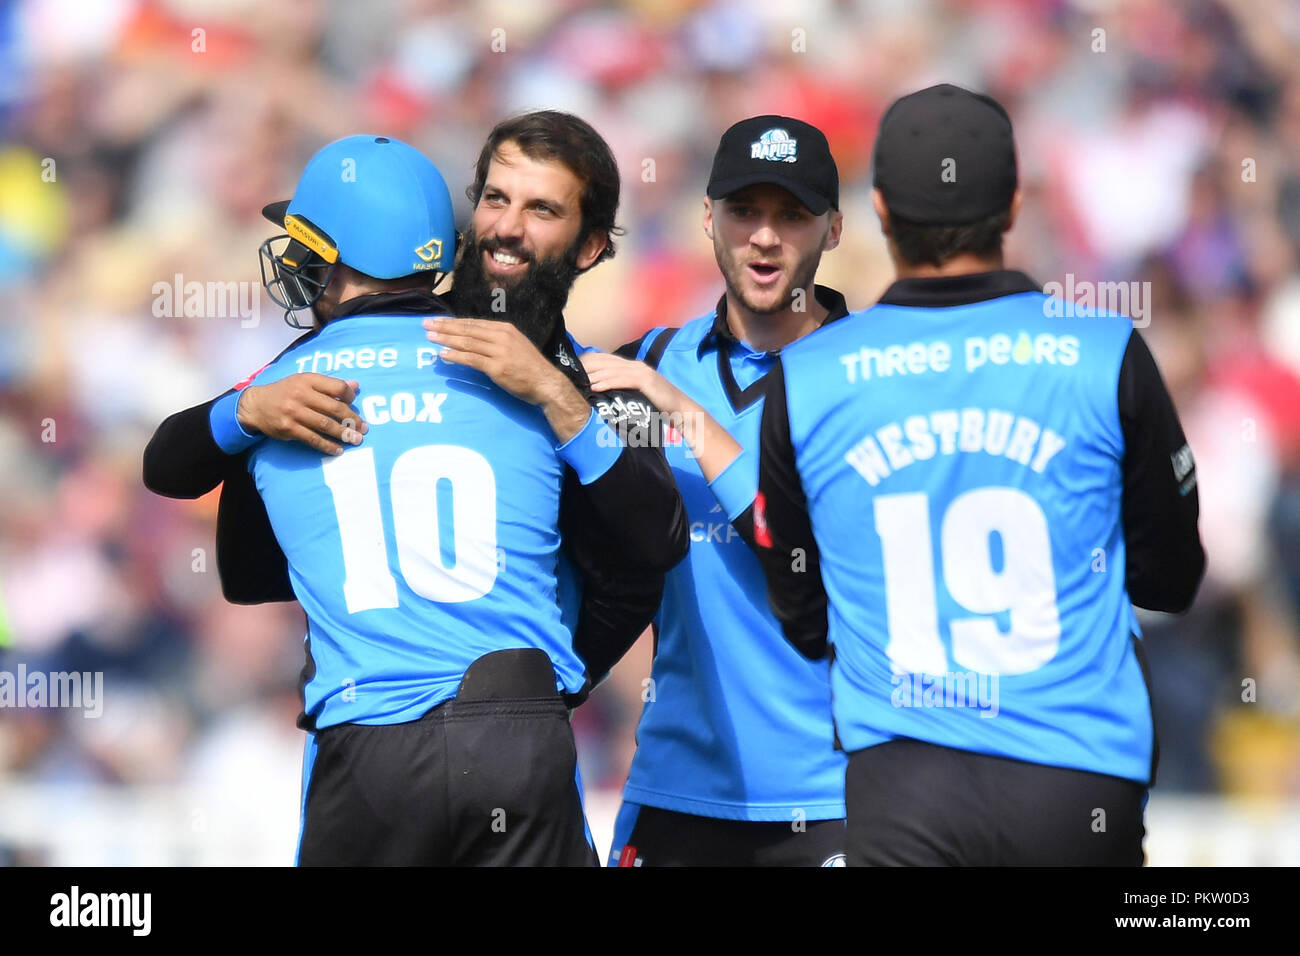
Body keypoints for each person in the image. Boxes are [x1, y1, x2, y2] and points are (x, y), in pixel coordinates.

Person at [144, 127, 687, 865]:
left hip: (369, 746)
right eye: (497, 198)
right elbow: (650, 551)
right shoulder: (549, 379)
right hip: (516, 727)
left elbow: (211, 525)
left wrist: (241, 416)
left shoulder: (284, 386)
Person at [746, 84, 1205, 865]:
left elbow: (800, 609)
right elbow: (1171, 577)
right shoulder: (1102, 350)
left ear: (881, 210)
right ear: (1015, 204)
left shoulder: (810, 375)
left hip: (902, 784)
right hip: (1077, 781)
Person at [577, 117, 848, 866]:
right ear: (706, 218)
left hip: (834, 796)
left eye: (792, 215)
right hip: (674, 788)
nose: (765, 237)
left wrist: (684, 415)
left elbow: (809, 559)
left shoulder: (874, 377)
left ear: (833, 229)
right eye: (743, 212)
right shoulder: (652, 363)